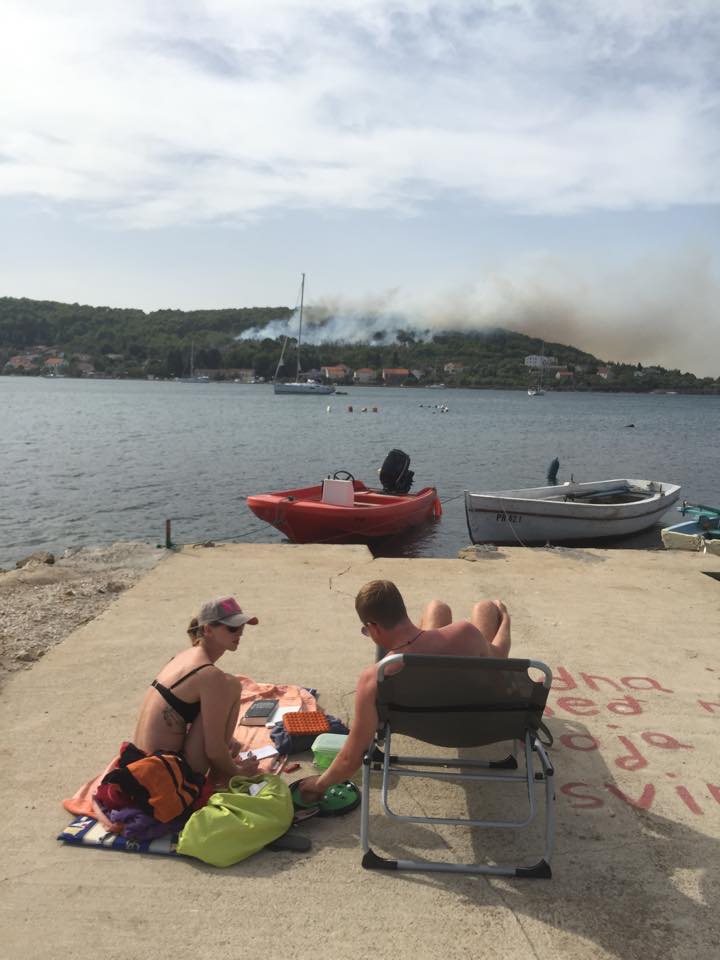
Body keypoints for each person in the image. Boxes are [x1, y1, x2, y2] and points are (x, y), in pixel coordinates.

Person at [298, 579, 511, 803]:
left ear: (373, 627)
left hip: (423, 726)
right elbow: (500, 658)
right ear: (402, 612)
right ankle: (486, 614)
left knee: (436, 608)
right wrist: (505, 619)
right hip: (475, 716)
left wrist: (318, 784)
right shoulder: (466, 633)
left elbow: (350, 758)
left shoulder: (375, 677)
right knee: (485, 607)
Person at [132, 595, 261, 786]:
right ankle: (220, 776)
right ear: (208, 630)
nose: (240, 633)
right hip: (168, 780)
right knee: (232, 685)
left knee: (227, 686)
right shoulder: (210, 675)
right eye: (233, 628)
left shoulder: (183, 657)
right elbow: (214, 751)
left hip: (142, 766)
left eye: (242, 627)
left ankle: (221, 765)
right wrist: (240, 772)